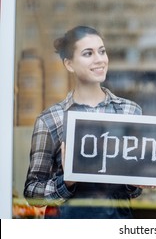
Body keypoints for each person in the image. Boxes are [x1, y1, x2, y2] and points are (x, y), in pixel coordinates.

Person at [24, 25, 145, 219]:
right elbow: (32, 193)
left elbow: (133, 190)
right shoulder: (51, 119)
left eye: (102, 51)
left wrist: (137, 182)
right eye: (88, 53)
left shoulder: (130, 112)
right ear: (69, 64)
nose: (99, 59)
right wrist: (67, 181)